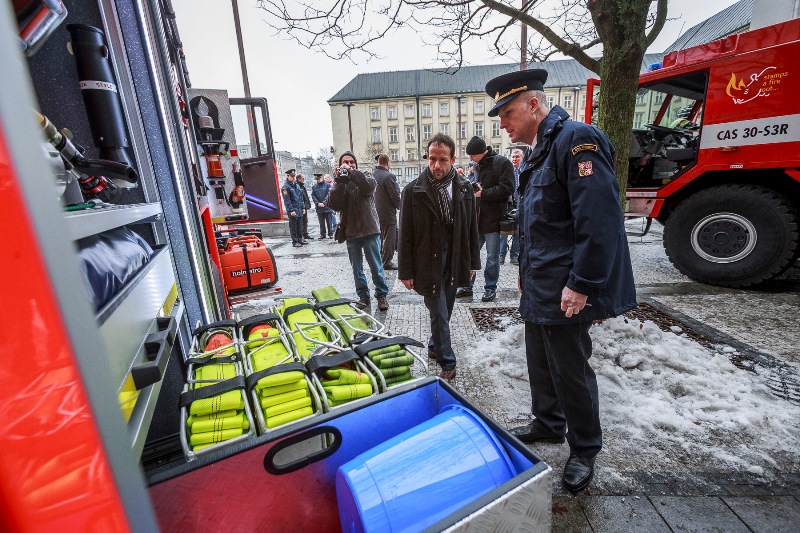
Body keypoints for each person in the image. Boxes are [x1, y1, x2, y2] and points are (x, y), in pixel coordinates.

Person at [485, 69, 636, 493]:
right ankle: (548, 423)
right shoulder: (539, 150)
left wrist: (583, 282)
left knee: (570, 367)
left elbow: (599, 219)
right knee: (541, 359)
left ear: (534, 104)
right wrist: (524, 275)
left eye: (507, 112)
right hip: (542, 281)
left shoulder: (576, 139)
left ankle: (585, 447)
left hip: (568, 284)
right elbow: (540, 223)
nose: (502, 123)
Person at [399, 133, 479, 383]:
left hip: (454, 257)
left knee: (448, 307)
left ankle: (434, 345)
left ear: (453, 159)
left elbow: (470, 229)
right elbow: (406, 235)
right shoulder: (413, 191)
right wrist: (406, 271)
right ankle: (448, 361)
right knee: (439, 313)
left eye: (442, 160)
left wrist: (473, 263)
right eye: (432, 159)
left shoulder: (464, 187)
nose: (436, 165)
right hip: (427, 259)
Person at [454, 136, 514, 302]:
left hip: (493, 219)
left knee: (492, 258)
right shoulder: (479, 165)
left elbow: (508, 188)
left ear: (481, 152)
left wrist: (484, 193)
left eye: (472, 155)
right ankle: (466, 286)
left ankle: (490, 288)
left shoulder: (501, 163)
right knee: (470, 254)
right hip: (476, 218)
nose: (471, 159)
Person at [328, 151, 390, 311]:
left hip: (370, 229)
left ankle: (381, 296)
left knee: (376, 266)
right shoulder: (341, 183)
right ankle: (363, 296)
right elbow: (334, 204)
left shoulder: (366, 176)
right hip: (351, 232)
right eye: (345, 162)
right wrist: (338, 182)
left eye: (351, 162)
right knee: (357, 268)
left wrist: (352, 173)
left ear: (356, 164)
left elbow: (369, 187)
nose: (348, 164)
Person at [373, 154, 401, 270]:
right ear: (388, 163)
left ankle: (379, 259)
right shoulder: (388, 176)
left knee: (380, 238)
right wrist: (400, 206)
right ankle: (387, 262)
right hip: (388, 214)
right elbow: (394, 196)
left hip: (375, 213)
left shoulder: (372, 175)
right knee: (389, 239)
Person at [500, 148, 524, 265]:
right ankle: (501, 255)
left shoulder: (524, 170)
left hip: (520, 203)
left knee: (518, 231)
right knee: (504, 230)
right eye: (513, 157)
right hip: (508, 203)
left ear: (522, 158)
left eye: (517, 157)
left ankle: (514, 255)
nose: (514, 159)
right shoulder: (507, 170)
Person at [281, 169, 306, 247]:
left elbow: (300, 198)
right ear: (288, 176)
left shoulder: (296, 185)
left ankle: (300, 239)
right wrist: (291, 210)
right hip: (293, 210)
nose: (293, 178)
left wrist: (303, 207)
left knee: (299, 226)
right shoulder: (285, 187)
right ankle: (295, 242)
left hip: (299, 209)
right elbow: (287, 200)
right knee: (293, 226)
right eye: (292, 176)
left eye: (294, 176)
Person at [312, 173, 334, 239]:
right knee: (321, 222)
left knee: (329, 222)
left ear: (322, 178)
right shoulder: (314, 186)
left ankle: (330, 234)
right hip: (319, 207)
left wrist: (324, 202)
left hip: (327, 206)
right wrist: (317, 203)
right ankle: (323, 234)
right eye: (317, 179)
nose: (318, 180)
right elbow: (313, 196)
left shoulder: (327, 185)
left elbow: (329, 194)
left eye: (319, 179)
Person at [296, 173, 312, 240]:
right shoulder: (297, 186)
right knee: (301, 222)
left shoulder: (302, 186)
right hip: (300, 207)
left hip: (304, 206)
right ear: (299, 179)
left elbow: (305, 196)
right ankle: (301, 235)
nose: (304, 180)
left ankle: (305, 234)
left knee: (305, 221)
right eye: (303, 178)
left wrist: (308, 205)